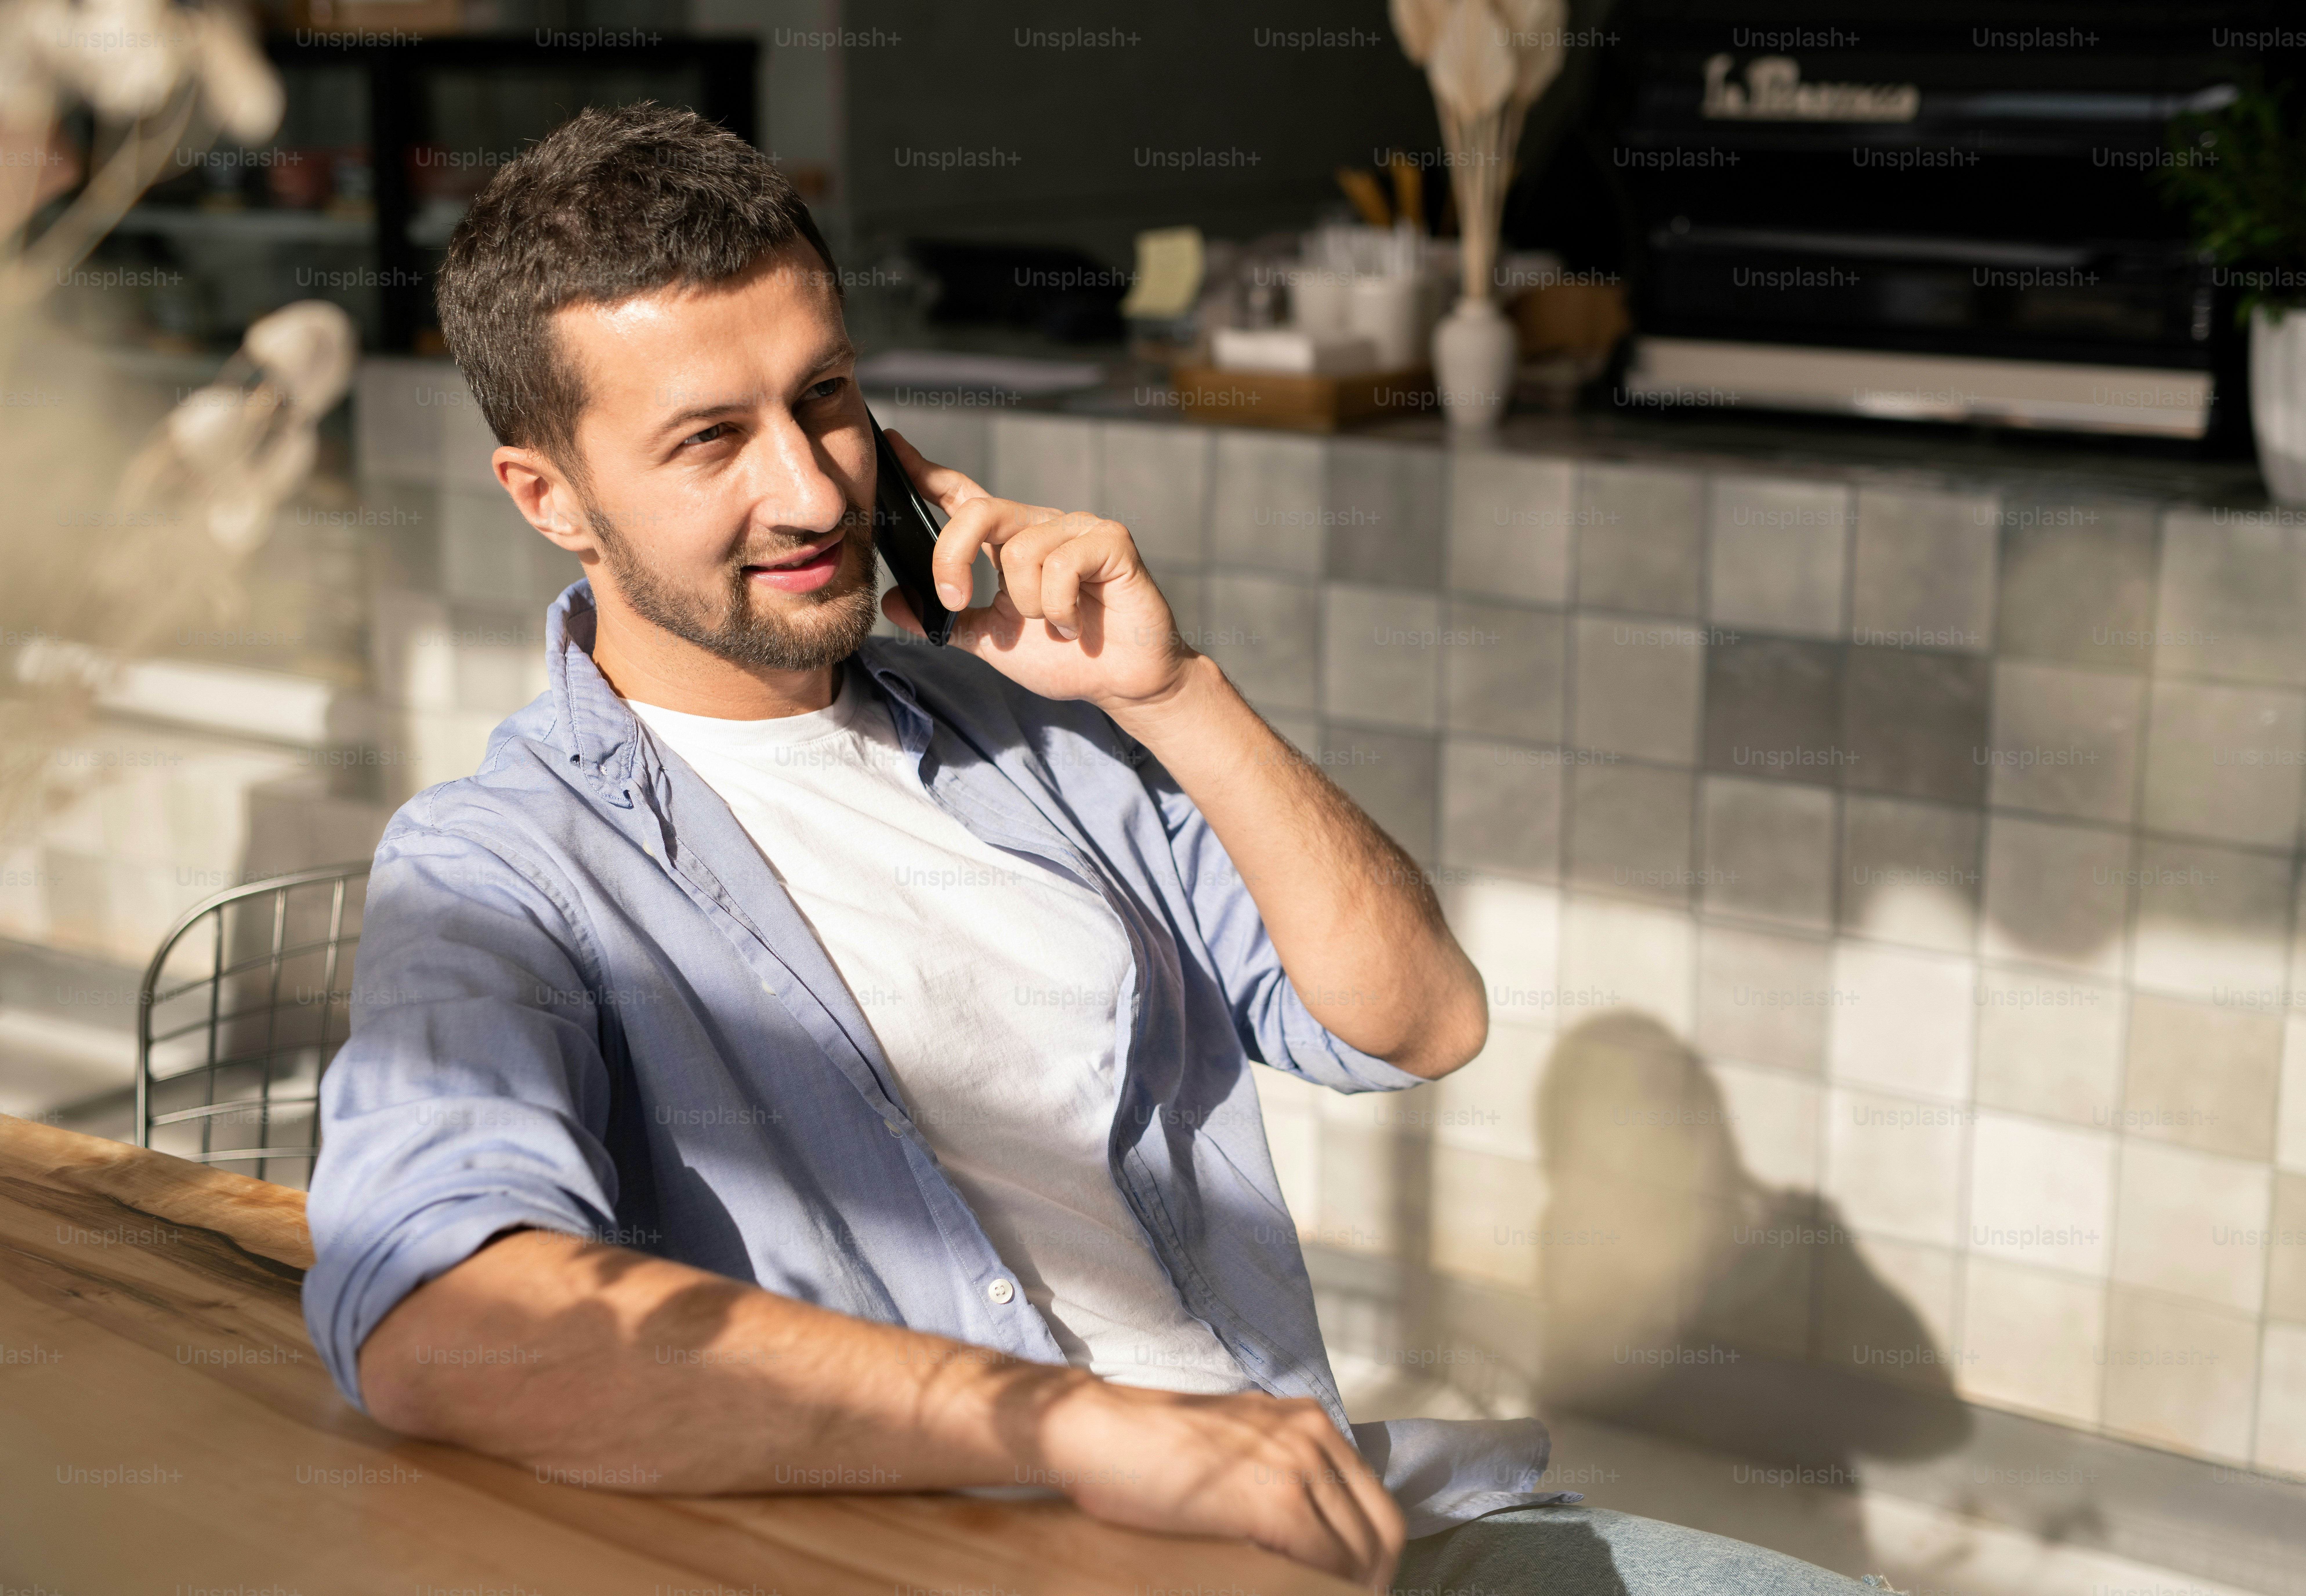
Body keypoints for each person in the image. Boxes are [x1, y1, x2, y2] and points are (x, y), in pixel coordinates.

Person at [303, 101, 1883, 1596]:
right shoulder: (503, 869)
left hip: (1336, 1521)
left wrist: (1175, 694)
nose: (809, 487)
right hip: (1008, 1550)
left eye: (828, 398)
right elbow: (442, 1323)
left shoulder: (1023, 732)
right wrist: (1077, 1429)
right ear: (551, 497)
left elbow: (1414, 1021)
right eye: (711, 439)